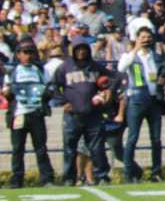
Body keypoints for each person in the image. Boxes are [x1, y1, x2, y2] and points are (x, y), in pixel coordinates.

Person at [50, 38, 114, 186]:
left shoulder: (95, 66)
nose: (81, 52)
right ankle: (69, 178)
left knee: (97, 147)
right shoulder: (65, 67)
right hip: (72, 115)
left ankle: (102, 176)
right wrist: (63, 102)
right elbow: (53, 86)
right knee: (70, 148)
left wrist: (107, 93)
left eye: (84, 48)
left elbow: (112, 80)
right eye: (78, 49)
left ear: (88, 50)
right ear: (73, 51)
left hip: (93, 114)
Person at [116, 27, 165, 183]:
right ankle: (129, 172)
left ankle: (156, 172)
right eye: (142, 37)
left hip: (154, 100)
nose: (146, 40)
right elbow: (121, 68)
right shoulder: (130, 56)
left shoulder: (156, 57)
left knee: (156, 138)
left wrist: (163, 81)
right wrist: (135, 48)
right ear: (136, 38)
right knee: (133, 137)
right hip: (137, 99)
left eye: (148, 37)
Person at [3, 40, 55, 187]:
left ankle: (47, 179)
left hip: (36, 113)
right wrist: (8, 93)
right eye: (25, 52)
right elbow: (7, 93)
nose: (28, 56)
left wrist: (45, 94)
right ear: (18, 55)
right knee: (18, 149)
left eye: (31, 52)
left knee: (41, 148)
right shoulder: (12, 72)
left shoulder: (41, 70)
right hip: (19, 114)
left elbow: (50, 89)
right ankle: (17, 180)